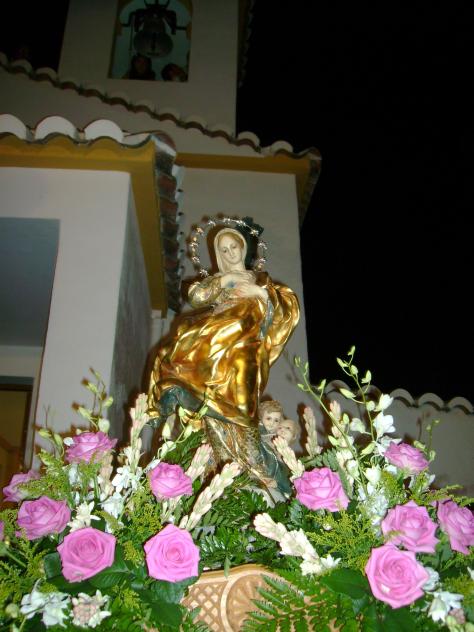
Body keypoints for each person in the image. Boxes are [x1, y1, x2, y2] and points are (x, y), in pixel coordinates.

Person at [147, 225, 299, 491]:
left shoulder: (262, 280)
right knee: (200, 384)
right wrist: (226, 280)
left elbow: (285, 309)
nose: (230, 253)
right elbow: (197, 296)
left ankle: (253, 463)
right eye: (223, 250)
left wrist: (258, 293)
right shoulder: (220, 279)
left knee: (243, 398)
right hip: (216, 338)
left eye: (234, 247)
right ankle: (220, 460)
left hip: (248, 344)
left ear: (243, 247)